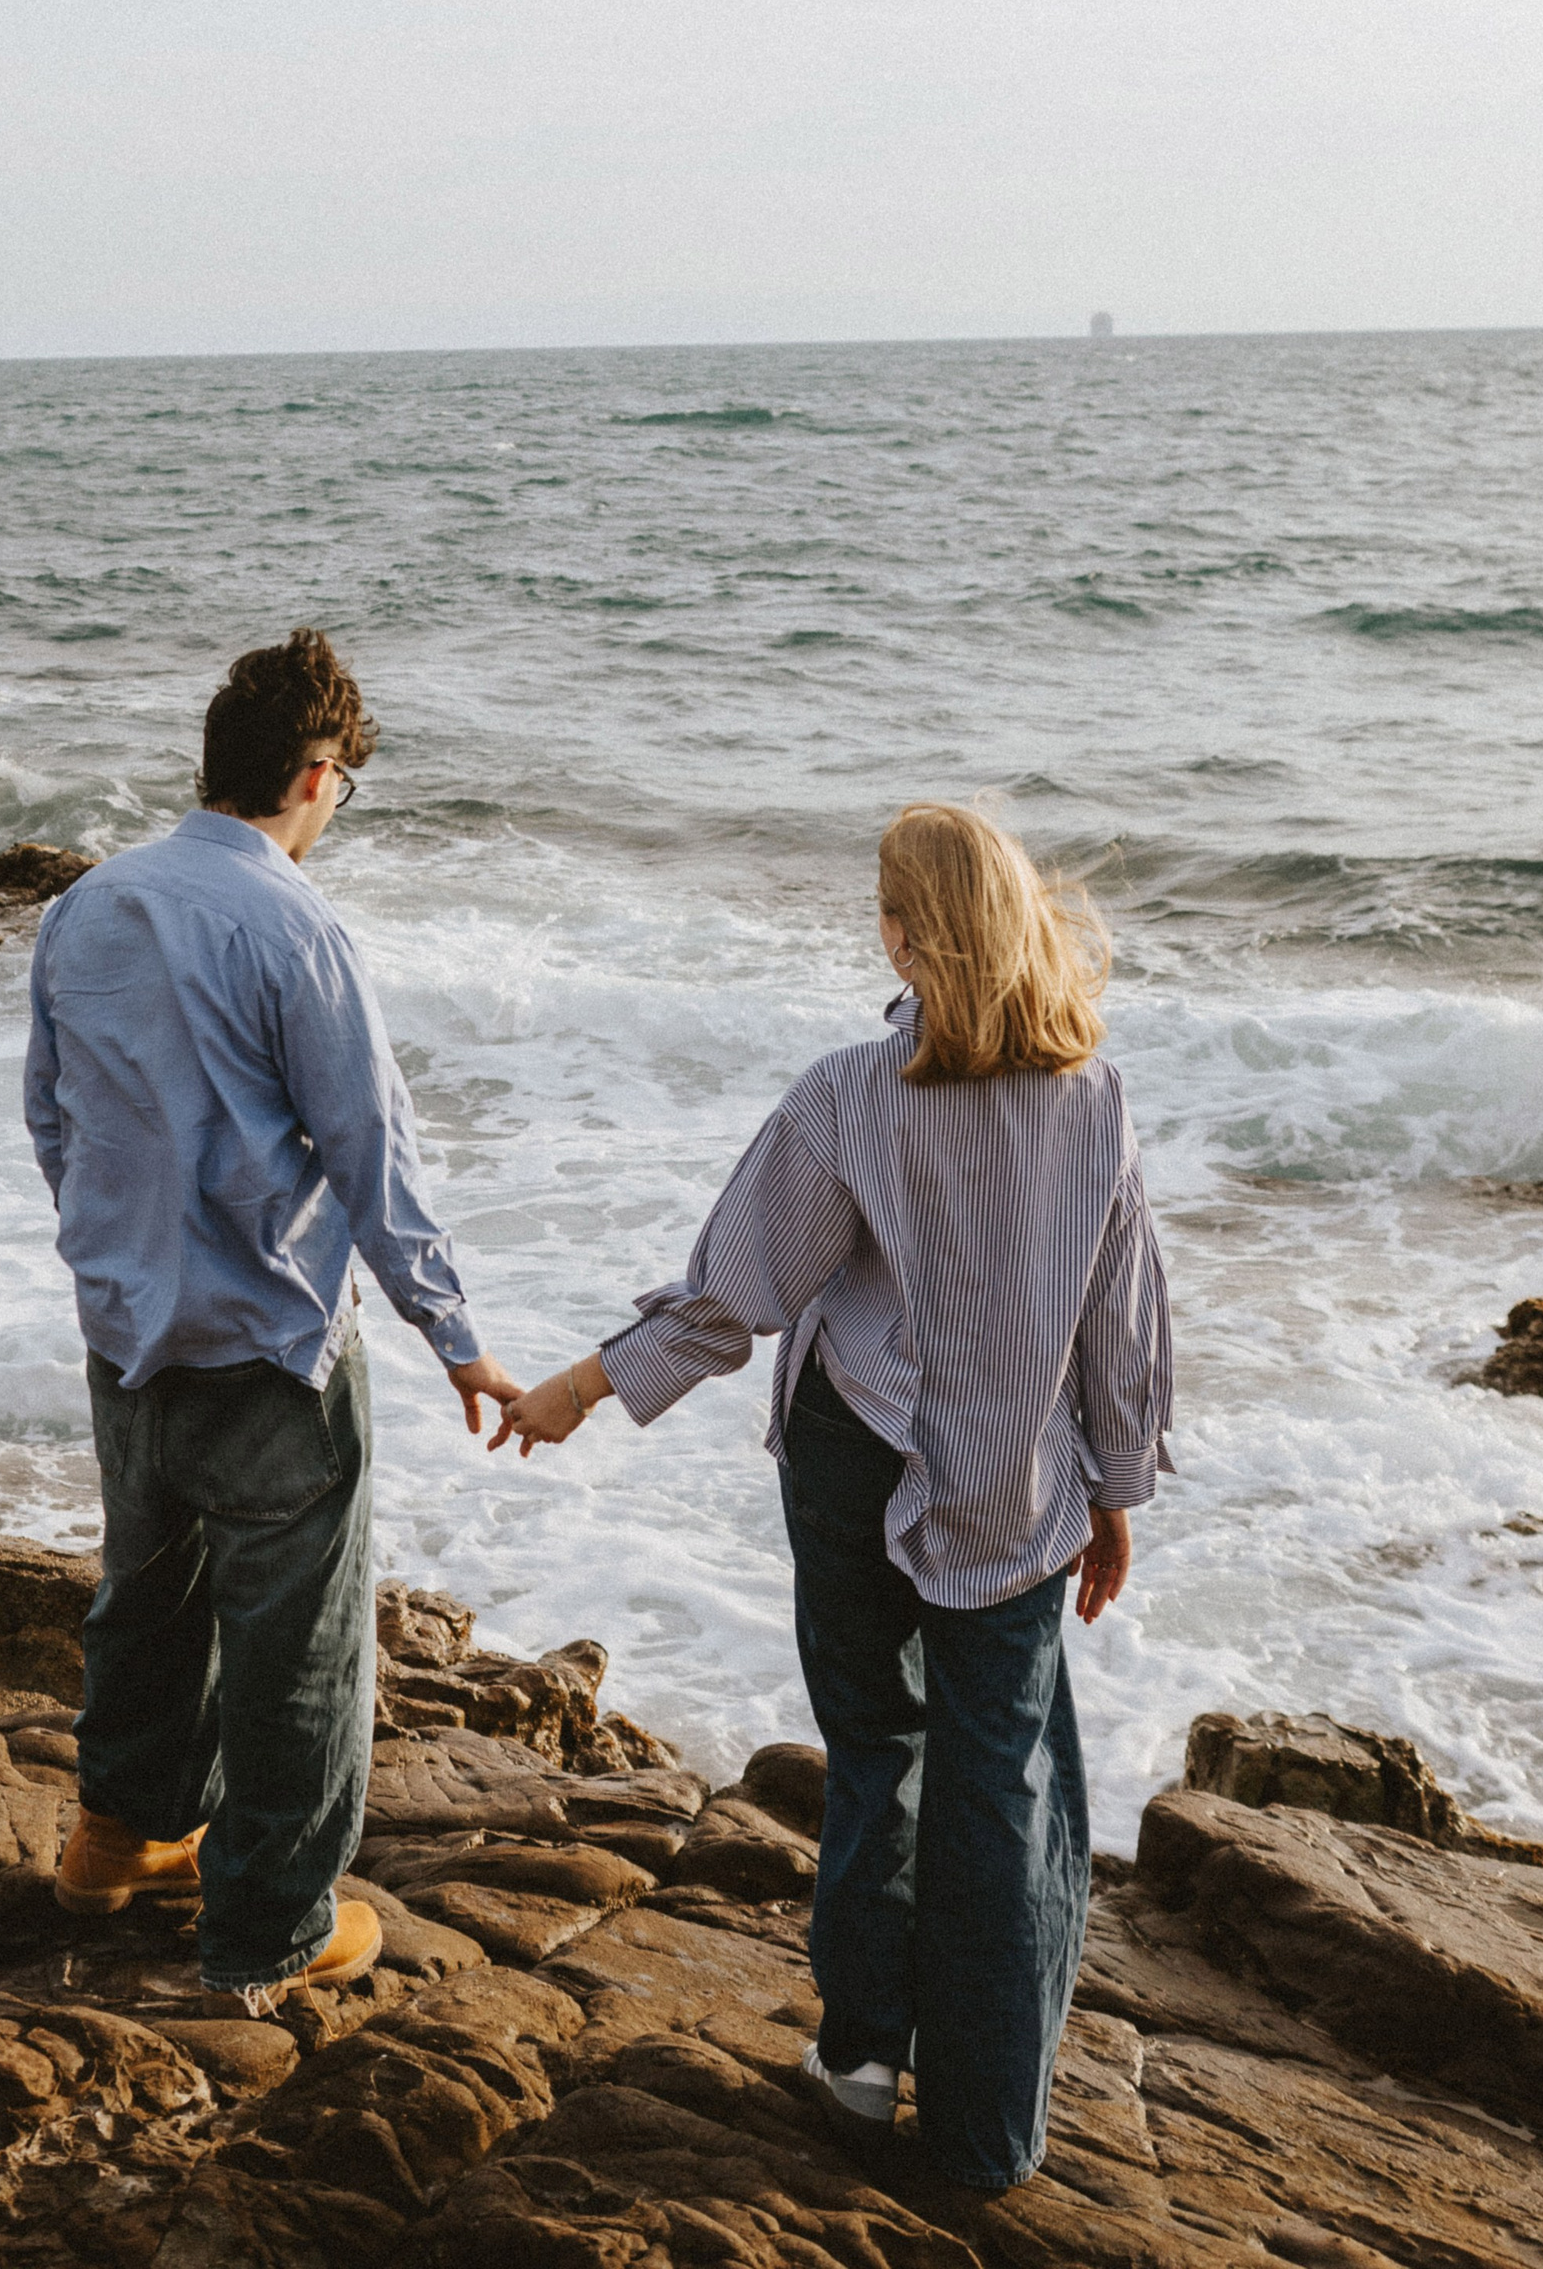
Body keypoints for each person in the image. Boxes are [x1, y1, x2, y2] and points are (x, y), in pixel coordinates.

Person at [497, 801, 1172, 2195]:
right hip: (1017, 1486)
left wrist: (580, 1389)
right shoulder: (1093, 1097)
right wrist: (1114, 1489)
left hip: (856, 1451)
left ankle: (863, 2064)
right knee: (1003, 1780)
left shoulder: (852, 1094)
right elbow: (1125, 1325)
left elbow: (734, 1297)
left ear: (904, 935)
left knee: (876, 1746)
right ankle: (989, 2134)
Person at [25, 628, 521, 2016]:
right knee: (297, 1640)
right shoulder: (295, 926)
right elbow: (373, 1153)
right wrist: (454, 1335)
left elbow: (50, 1114)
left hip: (128, 1330)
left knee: (150, 1592)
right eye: (343, 792)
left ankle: (117, 1841)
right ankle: (269, 1931)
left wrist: (113, 1260)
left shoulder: (88, 905)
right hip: (270, 1338)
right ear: (316, 775)